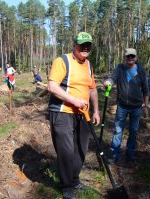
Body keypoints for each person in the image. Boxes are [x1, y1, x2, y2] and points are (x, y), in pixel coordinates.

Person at [48, 32, 100, 199]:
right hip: (62, 112)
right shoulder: (62, 61)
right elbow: (52, 86)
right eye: (82, 45)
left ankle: (75, 179)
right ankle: (66, 185)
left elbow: (92, 89)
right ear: (74, 46)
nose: (85, 48)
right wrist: (73, 100)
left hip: (83, 113)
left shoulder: (89, 65)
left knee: (81, 148)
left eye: (88, 45)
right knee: (66, 150)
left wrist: (96, 110)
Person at [104, 48, 149, 164]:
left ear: (136, 57)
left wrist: (146, 106)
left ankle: (130, 153)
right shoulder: (120, 68)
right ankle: (114, 154)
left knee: (133, 131)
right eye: (128, 56)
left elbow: (145, 89)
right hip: (122, 106)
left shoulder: (141, 70)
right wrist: (108, 82)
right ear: (125, 57)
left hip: (136, 107)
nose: (130, 58)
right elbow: (112, 78)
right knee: (118, 130)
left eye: (132, 56)